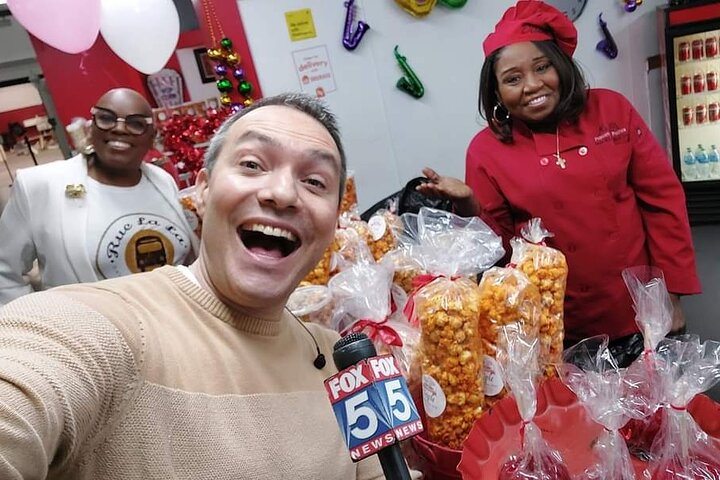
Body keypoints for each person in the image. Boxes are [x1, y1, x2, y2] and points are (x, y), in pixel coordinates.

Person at [0, 93, 389, 479]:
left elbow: (384, 471)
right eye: (252, 164)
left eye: (315, 181)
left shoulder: (344, 358)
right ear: (201, 191)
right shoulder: (107, 331)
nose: (283, 194)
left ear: (336, 219)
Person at [418, 0, 701, 351]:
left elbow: (663, 204)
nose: (532, 85)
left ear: (561, 66)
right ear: (496, 93)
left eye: (542, 67)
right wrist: (468, 206)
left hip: (642, 312)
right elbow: (498, 253)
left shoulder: (611, 110)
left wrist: (671, 295)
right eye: (513, 79)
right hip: (555, 328)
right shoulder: (485, 150)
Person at [0, 88, 198, 306]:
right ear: (90, 128)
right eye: (106, 118)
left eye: (136, 123)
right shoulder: (39, 186)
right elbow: (4, 273)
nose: (119, 128)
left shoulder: (162, 180)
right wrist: (34, 321)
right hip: (90, 324)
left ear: (151, 137)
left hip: (172, 318)